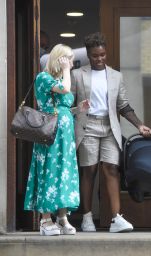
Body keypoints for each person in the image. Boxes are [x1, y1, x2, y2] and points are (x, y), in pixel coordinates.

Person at [71, 32, 151, 233]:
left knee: (111, 169)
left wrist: (140, 125)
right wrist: (78, 109)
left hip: (109, 127)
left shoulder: (116, 76)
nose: (100, 59)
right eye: (95, 56)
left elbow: (123, 105)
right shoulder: (77, 74)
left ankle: (116, 218)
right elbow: (68, 106)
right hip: (87, 126)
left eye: (103, 55)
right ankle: (87, 217)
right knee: (89, 171)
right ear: (88, 55)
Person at [24, 44, 89, 236]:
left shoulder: (61, 77)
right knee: (50, 171)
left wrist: (78, 109)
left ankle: (62, 217)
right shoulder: (44, 77)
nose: (71, 62)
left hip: (65, 137)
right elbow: (65, 89)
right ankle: (45, 219)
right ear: (59, 59)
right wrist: (66, 70)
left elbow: (63, 108)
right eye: (67, 58)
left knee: (64, 172)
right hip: (50, 134)